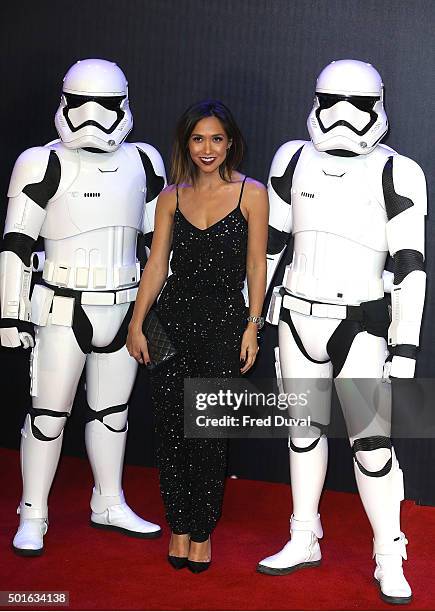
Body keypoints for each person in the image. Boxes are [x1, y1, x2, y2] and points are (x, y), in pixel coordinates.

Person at [257, 60, 426, 605]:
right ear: (315, 101)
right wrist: (253, 317)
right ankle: (303, 534)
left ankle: (388, 554)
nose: (342, 119)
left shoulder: (399, 172)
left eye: (357, 106)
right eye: (331, 103)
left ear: (378, 108)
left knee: (371, 444)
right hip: (297, 316)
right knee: (302, 431)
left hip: (361, 322)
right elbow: (271, 247)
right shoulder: (293, 159)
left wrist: (404, 353)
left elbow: (410, 268)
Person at [0, 58, 166, 555]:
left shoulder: (144, 162)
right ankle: (33, 511)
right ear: (65, 104)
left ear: (124, 107)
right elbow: (15, 242)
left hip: (124, 305)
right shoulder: (41, 161)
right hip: (61, 304)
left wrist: (158, 311)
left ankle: (109, 500)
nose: (92, 117)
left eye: (106, 106)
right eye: (81, 105)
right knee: (49, 414)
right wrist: (11, 312)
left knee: (113, 412)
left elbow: (159, 245)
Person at [127, 99, 268, 572]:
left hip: (224, 326)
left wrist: (253, 324)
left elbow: (255, 265)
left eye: (216, 139)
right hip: (168, 326)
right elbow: (156, 265)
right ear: (186, 142)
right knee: (170, 431)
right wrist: (136, 322)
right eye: (198, 139)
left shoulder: (252, 193)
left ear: (230, 144)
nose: (207, 149)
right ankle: (179, 527)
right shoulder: (170, 196)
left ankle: (203, 529)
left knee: (207, 433)